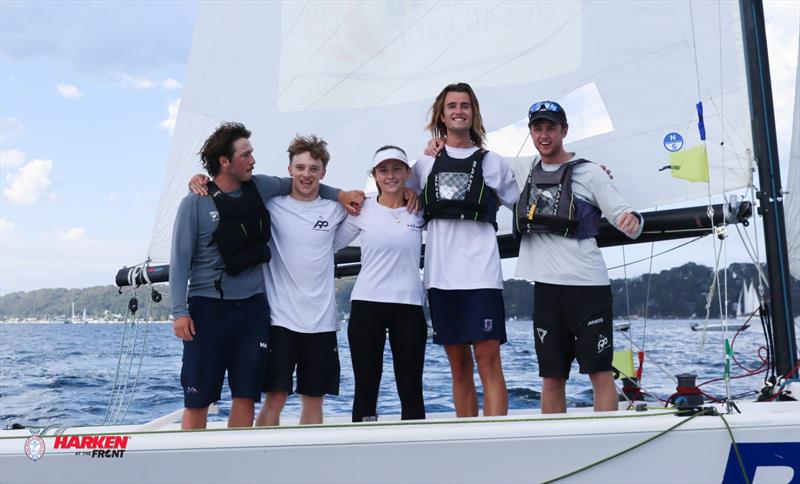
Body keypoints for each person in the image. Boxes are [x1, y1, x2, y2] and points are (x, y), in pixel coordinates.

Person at [175, 123, 361, 430]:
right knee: (199, 398)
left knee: (246, 396)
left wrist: (341, 195)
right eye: (246, 154)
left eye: (251, 153)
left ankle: (241, 468)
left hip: (252, 311)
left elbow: (304, 185)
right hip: (208, 308)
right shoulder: (195, 201)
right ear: (225, 161)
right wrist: (179, 311)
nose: (253, 160)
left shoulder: (260, 188)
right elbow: (179, 260)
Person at [510, 101, 642, 413]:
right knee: (552, 376)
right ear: (530, 132)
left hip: (588, 288)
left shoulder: (591, 172)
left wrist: (632, 221)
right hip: (546, 289)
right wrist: (437, 145)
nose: (544, 134)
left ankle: (606, 441)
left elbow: (627, 217)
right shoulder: (522, 170)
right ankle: (555, 445)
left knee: (600, 372)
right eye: (538, 128)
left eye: (551, 128)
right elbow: (473, 153)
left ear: (564, 131)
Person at [405, 83, 519, 417]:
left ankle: (495, 436)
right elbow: (396, 197)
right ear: (442, 114)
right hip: (440, 279)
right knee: (457, 363)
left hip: (481, 276)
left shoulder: (492, 162)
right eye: (452, 105)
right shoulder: (423, 165)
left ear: (473, 113)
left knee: (488, 359)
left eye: (465, 105)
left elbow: (523, 201)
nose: (459, 111)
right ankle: (466, 432)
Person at [253, 135, 348, 426]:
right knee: (276, 397)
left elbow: (376, 206)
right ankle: (258, 460)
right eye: (301, 167)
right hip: (280, 321)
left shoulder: (336, 209)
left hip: (321, 322)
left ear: (323, 173)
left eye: (314, 168)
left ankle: (311, 469)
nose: (307, 174)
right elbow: (232, 184)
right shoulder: (272, 204)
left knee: (314, 398)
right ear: (290, 169)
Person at [333, 145, 427, 422]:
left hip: (408, 305)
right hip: (367, 304)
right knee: (366, 385)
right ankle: (362, 450)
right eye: (383, 170)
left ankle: (415, 450)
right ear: (374, 175)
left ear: (407, 173)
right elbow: (330, 244)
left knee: (410, 387)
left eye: (397, 169)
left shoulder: (419, 210)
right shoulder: (362, 209)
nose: (391, 175)